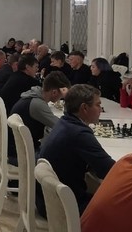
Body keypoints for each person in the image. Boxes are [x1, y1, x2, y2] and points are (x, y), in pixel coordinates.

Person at [37, 84, 114, 217]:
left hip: (47, 201)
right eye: (97, 105)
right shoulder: (79, 133)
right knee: (121, 208)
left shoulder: (65, 122)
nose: (100, 109)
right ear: (84, 108)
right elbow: (109, 170)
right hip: (63, 208)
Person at [9, 70, 70, 162]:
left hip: (17, 150)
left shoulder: (33, 95)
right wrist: (68, 100)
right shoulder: (37, 104)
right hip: (21, 156)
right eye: (61, 95)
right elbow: (62, 127)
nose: (61, 98)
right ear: (54, 92)